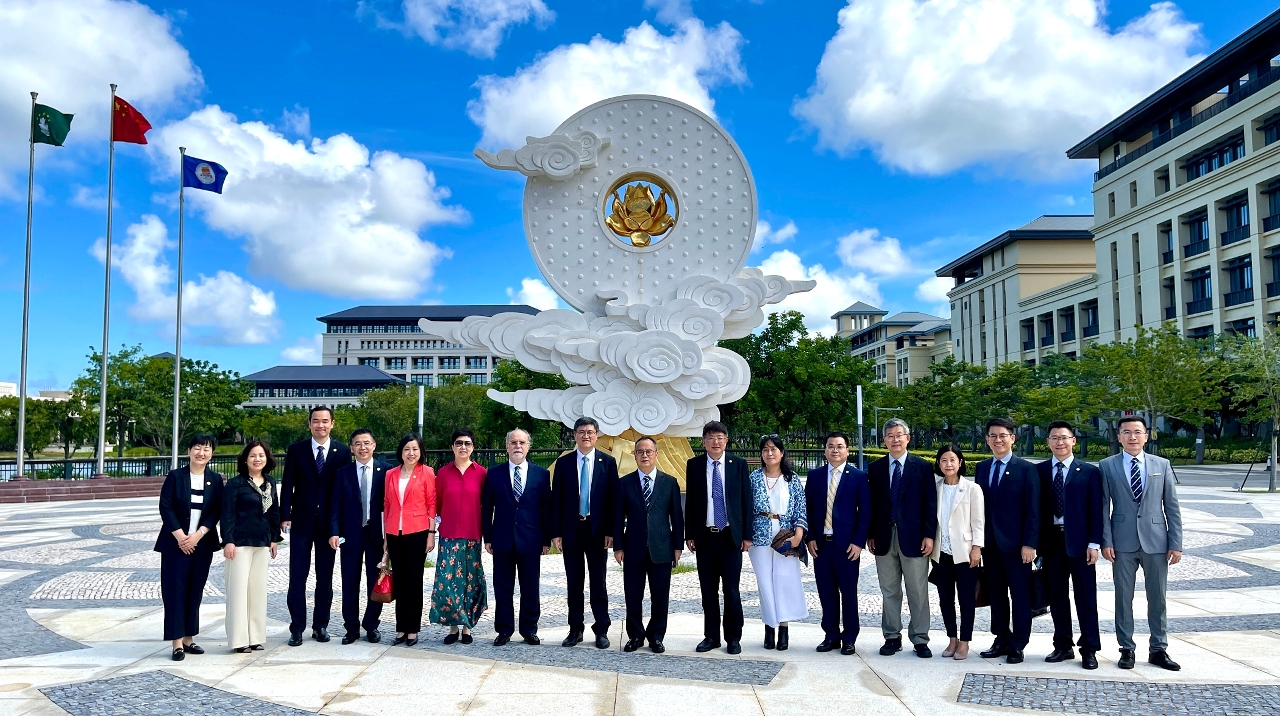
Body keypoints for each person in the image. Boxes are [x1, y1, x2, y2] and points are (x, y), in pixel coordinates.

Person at [1100, 415, 1183, 671]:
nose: (1132, 437)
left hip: (1156, 542)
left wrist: (1176, 543)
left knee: (1158, 598)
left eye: (1137, 432)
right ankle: (1126, 649)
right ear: (1119, 437)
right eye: (1127, 432)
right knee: (1123, 598)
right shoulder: (1107, 466)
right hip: (1121, 542)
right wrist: (1106, 540)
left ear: (1146, 436)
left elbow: (1171, 506)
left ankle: (1159, 648)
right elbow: (1103, 507)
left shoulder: (1162, 465)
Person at [281, 406, 351, 646]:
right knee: (297, 576)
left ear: (332, 423)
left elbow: (343, 488)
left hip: (328, 524)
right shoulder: (296, 450)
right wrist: (285, 515)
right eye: (316, 421)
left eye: (325, 421)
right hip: (301, 520)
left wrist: (339, 524)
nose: (320, 425)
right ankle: (296, 627)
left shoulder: (342, 451)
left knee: (325, 577)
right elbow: (287, 483)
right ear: (309, 424)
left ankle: (320, 625)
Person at [868, 418, 938, 658]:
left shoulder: (922, 467)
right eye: (890, 435)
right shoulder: (875, 468)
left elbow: (930, 503)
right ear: (884, 440)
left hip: (915, 538)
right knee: (889, 590)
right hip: (884, 537)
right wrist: (870, 534)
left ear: (907, 438)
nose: (895, 439)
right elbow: (872, 505)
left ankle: (920, 638)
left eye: (899, 435)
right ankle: (891, 636)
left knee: (917, 591)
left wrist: (929, 535)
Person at [1037, 421, 1104, 670]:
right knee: (1056, 596)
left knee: (1086, 597)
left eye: (1064, 437)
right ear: (1048, 442)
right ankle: (1063, 645)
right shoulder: (1039, 471)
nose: (1060, 442)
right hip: (1051, 542)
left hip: (1081, 543)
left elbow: (1097, 510)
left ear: (1073, 441)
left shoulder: (1089, 472)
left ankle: (1089, 648)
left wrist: (1094, 543)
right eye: (1054, 438)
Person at [684, 420, 753, 654]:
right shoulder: (694, 465)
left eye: (720, 437)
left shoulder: (738, 464)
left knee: (731, 590)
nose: (716, 442)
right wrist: (690, 533)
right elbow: (691, 502)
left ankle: (733, 637)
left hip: (730, 537)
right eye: (711, 437)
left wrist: (746, 535)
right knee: (708, 590)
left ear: (726, 441)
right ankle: (711, 636)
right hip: (705, 537)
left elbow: (746, 500)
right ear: (703, 441)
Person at [976, 417, 1040, 664]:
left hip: (1017, 546)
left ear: (1012, 438)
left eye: (1003, 435)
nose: (998, 440)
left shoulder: (1026, 469)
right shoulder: (982, 468)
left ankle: (1018, 643)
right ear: (987, 439)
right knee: (996, 594)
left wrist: (1030, 543)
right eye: (993, 436)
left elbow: (1033, 509)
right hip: (990, 544)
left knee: (1020, 595)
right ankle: (1001, 638)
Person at [155, 434, 224, 661]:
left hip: (202, 544)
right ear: (189, 451)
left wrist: (198, 535)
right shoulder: (176, 476)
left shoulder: (215, 479)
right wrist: (181, 537)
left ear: (212, 453)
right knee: (175, 591)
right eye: (197, 448)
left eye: (206, 449)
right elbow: (166, 507)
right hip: (175, 544)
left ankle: (188, 638)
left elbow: (215, 511)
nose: (201, 453)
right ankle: (176, 642)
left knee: (195, 590)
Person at [552, 417, 619, 649]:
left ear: (597, 435)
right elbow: (556, 499)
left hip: (598, 531)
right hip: (572, 530)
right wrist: (556, 532)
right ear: (575, 435)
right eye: (581, 432)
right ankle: (575, 629)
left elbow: (613, 500)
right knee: (574, 582)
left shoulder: (607, 462)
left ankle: (601, 629)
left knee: (598, 582)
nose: (586, 436)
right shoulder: (564, 463)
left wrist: (611, 531)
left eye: (590, 432)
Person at [482, 428, 554, 646]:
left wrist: (546, 540)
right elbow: (487, 508)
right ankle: (504, 630)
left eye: (522, 442)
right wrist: (487, 537)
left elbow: (546, 509)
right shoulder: (494, 473)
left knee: (530, 587)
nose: (517, 446)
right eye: (513, 442)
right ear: (506, 447)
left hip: (531, 540)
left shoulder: (541, 474)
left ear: (528, 447)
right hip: (502, 539)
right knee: (503, 587)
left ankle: (529, 629)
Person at [613, 436, 684, 653]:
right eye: (640, 452)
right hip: (633, 547)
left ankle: (656, 636)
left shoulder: (669, 482)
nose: (644, 455)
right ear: (634, 455)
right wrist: (618, 546)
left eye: (648, 451)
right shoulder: (624, 483)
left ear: (656, 454)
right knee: (633, 595)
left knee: (660, 595)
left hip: (661, 547)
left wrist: (678, 546)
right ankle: (635, 635)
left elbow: (677, 517)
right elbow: (618, 517)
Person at [805, 431, 871, 655]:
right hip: (822, 545)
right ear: (825, 450)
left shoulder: (858, 476)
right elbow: (808, 509)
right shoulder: (815, 476)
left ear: (847, 450)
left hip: (847, 547)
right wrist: (810, 537)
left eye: (840, 446)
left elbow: (865, 512)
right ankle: (831, 635)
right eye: (831, 446)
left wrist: (858, 542)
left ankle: (849, 637)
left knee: (849, 593)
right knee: (826, 592)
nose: (835, 450)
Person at [748, 435, 808, 651]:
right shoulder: (754, 478)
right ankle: (769, 627)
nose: (769, 453)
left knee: (784, 581)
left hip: (786, 535)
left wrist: (798, 535)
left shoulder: (792, 479)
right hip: (760, 535)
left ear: (782, 453)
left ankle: (783, 628)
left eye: (774, 449)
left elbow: (801, 508)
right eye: (765, 449)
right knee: (765, 583)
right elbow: (746, 508)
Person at [430, 428, 489, 645]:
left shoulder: (482, 473)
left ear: (473, 447)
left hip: (473, 536)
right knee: (448, 582)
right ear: (452, 447)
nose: (463, 447)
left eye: (467, 443)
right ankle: (453, 626)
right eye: (459, 443)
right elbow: (436, 505)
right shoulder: (443, 474)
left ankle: (467, 627)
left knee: (469, 582)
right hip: (449, 536)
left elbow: (486, 505)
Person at [328, 428, 388, 645]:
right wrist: (334, 531)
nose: (363, 447)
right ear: (351, 448)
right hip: (350, 534)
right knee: (350, 582)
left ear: (374, 445)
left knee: (375, 581)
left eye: (367, 443)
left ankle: (371, 625)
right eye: (358, 444)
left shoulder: (386, 471)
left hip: (376, 534)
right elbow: (335, 505)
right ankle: (351, 628)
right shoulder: (343, 473)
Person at [222, 440, 281, 653]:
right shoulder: (235, 484)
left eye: (261, 455)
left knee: (257, 591)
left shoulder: (270, 482)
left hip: (262, 542)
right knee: (238, 592)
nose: (257, 459)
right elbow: (227, 514)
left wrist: (274, 538)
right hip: (239, 543)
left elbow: (274, 511)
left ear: (267, 459)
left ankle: (255, 637)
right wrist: (228, 541)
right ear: (245, 459)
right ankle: (239, 640)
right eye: (253, 455)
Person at [382, 434, 437, 646]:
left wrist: (431, 534)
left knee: (414, 581)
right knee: (400, 580)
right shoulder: (391, 474)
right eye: (407, 449)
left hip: (418, 531)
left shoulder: (427, 472)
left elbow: (432, 504)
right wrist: (386, 536)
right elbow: (387, 504)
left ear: (420, 451)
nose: (411, 453)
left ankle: (412, 628)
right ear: (401, 452)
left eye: (415, 449)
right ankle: (401, 627)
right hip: (394, 532)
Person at [931, 445, 984, 661]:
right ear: (939, 463)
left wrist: (977, 548)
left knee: (966, 599)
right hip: (940, 552)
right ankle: (952, 638)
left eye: (953, 460)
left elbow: (978, 522)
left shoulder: (972, 488)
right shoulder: (935, 488)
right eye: (944, 460)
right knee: (945, 599)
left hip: (965, 552)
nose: (949, 464)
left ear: (960, 462)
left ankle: (965, 641)